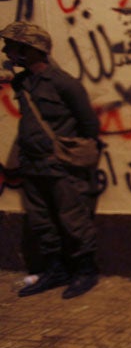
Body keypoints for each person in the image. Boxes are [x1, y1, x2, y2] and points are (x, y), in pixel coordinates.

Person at [1, 21, 101, 299]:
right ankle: (55, 270)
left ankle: (85, 271)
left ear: (31, 49)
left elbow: (89, 125)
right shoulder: (22, 82)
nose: (6, 50)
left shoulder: (64, 84)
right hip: (32, 164)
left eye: (13, 45)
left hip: (60, 165)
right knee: (41, 220)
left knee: (73, 220)